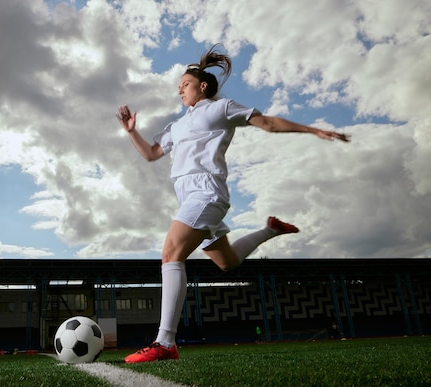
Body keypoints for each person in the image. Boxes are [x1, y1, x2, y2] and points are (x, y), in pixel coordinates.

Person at [116, 44, 349, 363]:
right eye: (178, 87)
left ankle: (165, 342)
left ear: (203, 86)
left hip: (206, 192)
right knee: (227, 262)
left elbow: (267, 123)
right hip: (191, 198)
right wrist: (131, 132)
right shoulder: (177, 126)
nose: (180, 91)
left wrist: (312, 130)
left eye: (184, 85)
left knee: (171, 253)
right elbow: (151, 154)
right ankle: (270, 230)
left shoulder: (220, 108)